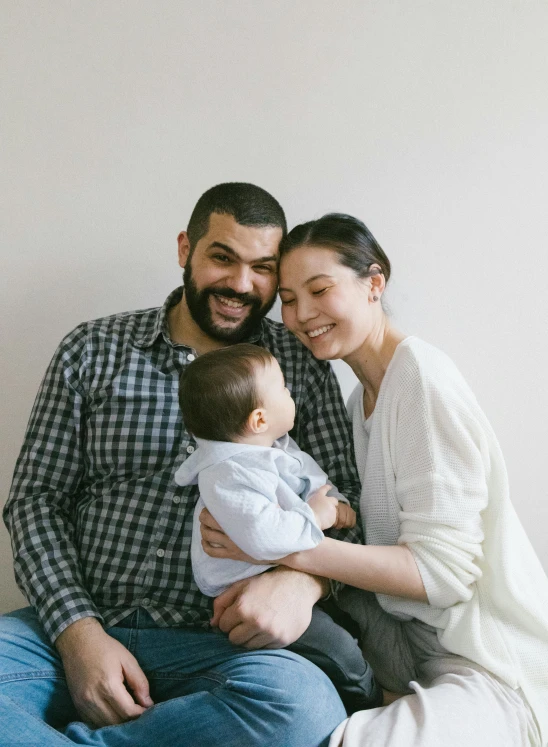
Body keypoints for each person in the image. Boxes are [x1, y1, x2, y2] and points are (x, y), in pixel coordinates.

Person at [1, 185, 363, 747]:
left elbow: (349, 504)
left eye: (262, 268)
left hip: (219, 644)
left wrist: (303, 583)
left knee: (304, 709)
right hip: (83, 622)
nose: (241, 284)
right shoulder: (92, 350)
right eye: (223, 257)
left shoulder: (297, 366)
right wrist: (78, 634)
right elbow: (35, 500)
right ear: (184, 249)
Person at [200, 212, 548, 747]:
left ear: (374, 283)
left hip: (492, 669)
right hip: (409, 667)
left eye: (320, 290)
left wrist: (281, 545)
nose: (301, 315)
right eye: (289, 299)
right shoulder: (359, 400)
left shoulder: (420, 380)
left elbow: (442, 575)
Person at [175, 343, 382, 713]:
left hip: (280, 576)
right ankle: (370, 699)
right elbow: (265, 535)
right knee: (338, 651)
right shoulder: (229, 474)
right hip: (245, 590)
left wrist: (335, 501)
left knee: (348, 627)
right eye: (284, 389)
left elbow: (307, 477)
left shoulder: (271, 447)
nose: (290, 394)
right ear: (258, 419)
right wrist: (319, 517)